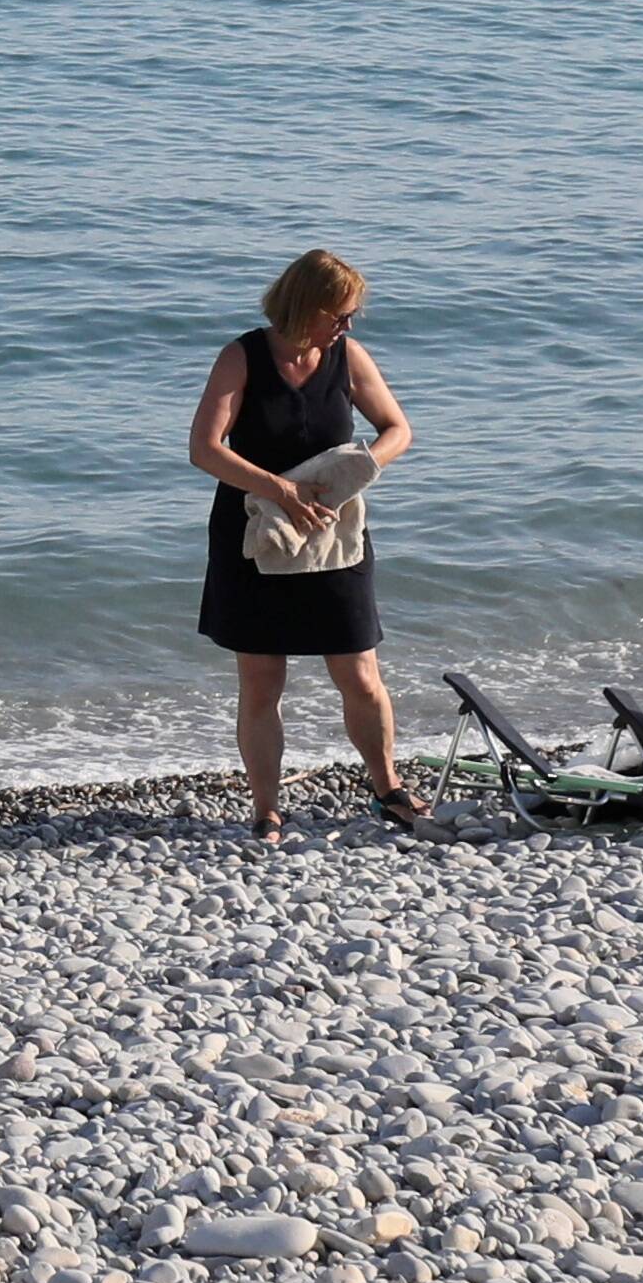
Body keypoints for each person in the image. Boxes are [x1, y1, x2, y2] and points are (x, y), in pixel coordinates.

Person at [188, 249, 414, 843]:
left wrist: (353, 471)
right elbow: (205, 449)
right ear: (305, 308)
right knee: (262, 679)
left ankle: (387, 788)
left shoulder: (347, 356)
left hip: (332, 532)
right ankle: (266, 809)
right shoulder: (242, 358)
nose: (348, 326)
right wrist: (280, 489)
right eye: (340, 315)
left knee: (360, 671)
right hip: (255, 532)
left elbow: (399, 430)